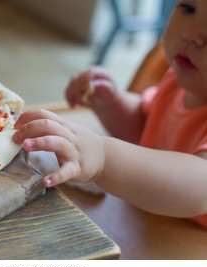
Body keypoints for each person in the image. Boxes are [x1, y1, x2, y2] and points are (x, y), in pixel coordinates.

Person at [12, 0, 207, 227]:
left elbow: (199, 184)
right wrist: (113, 104)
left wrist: (102, 156)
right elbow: (146, 127)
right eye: (189, 9)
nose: (191, 33)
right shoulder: (176, 80)